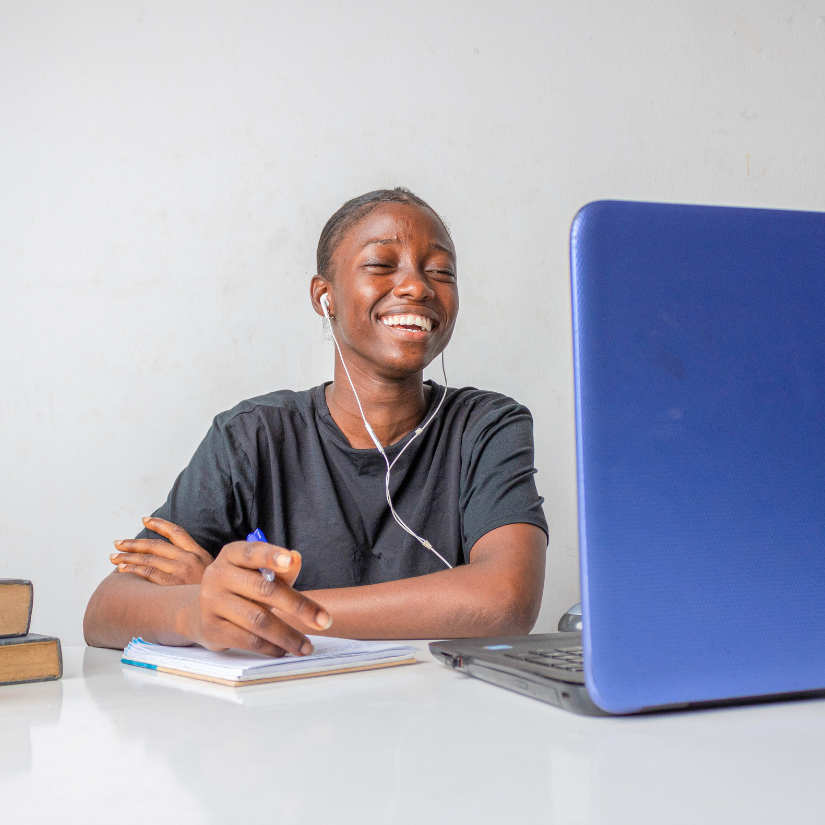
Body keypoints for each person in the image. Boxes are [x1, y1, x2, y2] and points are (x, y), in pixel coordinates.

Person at [84, 188, 548, 657]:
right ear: (324, 296)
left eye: (440, 271)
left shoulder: (487, 427)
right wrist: (200, 608)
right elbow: (105, 610)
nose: (417, 286)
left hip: (442, 720)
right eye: (382, 264)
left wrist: (256, 606)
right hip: (283, 723)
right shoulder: (252, 437)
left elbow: (505, 601)